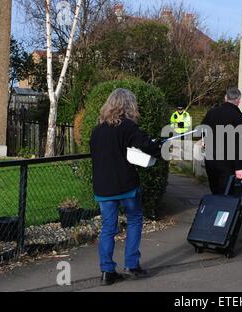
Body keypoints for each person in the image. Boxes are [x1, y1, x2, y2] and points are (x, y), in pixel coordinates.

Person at [90, 88, 163, 286]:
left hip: (103, 187)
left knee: (108, 228)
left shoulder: (97, 130)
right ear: (128, 105)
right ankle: (131, 264)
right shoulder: (128, 127)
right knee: (134, 220)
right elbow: (146, 146)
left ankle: (107, 271)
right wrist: (159, 148)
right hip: (125, 185)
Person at [201, 87, 242, 194]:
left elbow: (202, 130)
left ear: (225, 98)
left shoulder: (212, 112)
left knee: (215, 192)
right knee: (226, 196)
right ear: (238, 100)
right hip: (227, 164)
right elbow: (238, 144)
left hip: (211, 161)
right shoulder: (238, 117)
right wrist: (239, 167)